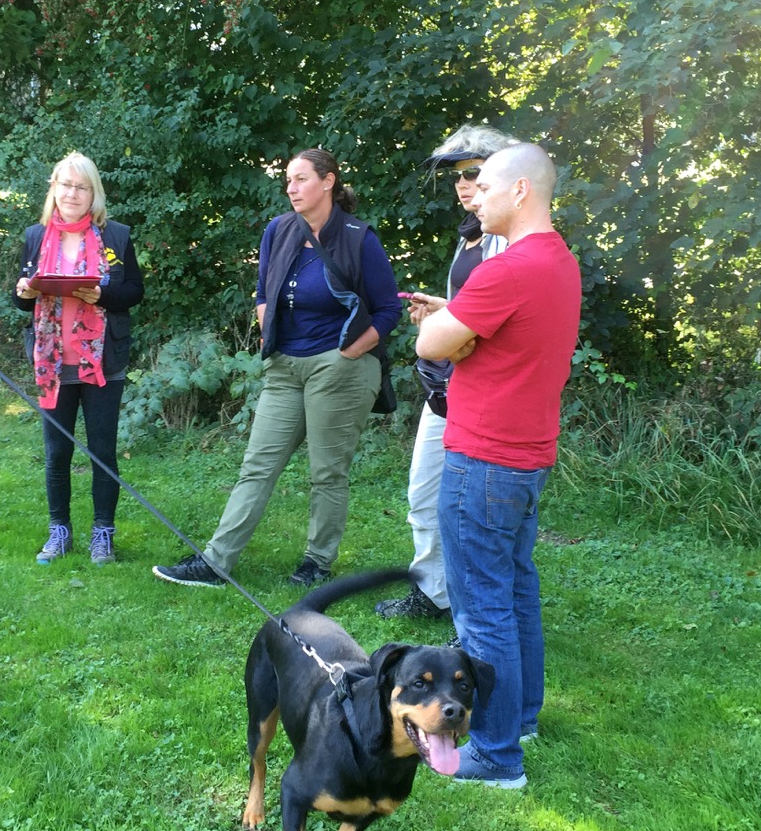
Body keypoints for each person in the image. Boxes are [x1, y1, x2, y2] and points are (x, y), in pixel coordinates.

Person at [153, 148, 401, 588]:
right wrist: (267, 322)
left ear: (328, 182)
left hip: (339, 367)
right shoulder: (279, 230)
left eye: (301, 179)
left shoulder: (359, 237)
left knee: (326, 472)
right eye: (288, 179)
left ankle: (317, 562)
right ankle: (215, 562)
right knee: (257, 465)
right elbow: (261, 289)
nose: (291, 187)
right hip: (285, 365)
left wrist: (348, 353)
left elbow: (386, 311)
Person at [413, 142, 580, 789]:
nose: (475, 195)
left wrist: (453, 324)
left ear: (521, 192)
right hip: (527, 456)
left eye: (486, 185)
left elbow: (431, 342)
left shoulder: (505, 270)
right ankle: (523, 716)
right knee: (514, 591)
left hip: (483, 457)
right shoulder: (559, 262)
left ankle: (496, 754)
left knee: (482, 610)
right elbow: (492, 336)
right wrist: (464, 324)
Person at [375, 125, 516, 624]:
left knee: (472, 515)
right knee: (423, 495)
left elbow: (500, 326)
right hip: (444, 391)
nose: (463, 184)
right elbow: (474, 310)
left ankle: (474, 621)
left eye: (474, 173)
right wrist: (444, 310)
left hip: (481, 397)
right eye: (457, 175)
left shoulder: (510, 242)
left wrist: (445, 330)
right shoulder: (471, 237)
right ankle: (432, 593)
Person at [12, 151, 145, 565]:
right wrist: (23, 293)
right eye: (65, 185)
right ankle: (60, 532)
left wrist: (103, 294)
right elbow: (21, 298)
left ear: (94, 193)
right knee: (57, 453)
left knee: (102, 451)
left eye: (81, 186)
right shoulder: (35, 237)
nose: (72, 193)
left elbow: (135, 292)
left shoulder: (117, 237)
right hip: (54, 364)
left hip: (102, 361)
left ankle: (103, 533)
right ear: (54, 188)